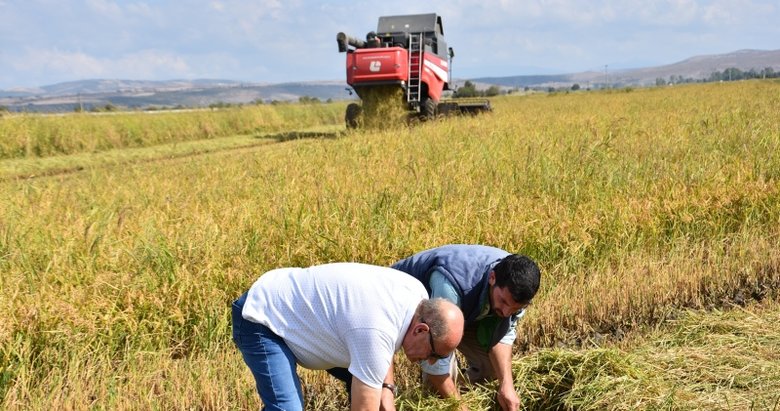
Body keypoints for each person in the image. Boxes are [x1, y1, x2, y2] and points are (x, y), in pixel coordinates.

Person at [231, 262, 465, 411]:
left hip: (312, 321)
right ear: (421, 330)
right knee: (286, 408)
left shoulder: (417, 297)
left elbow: (378, 358)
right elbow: (375, 346)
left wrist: (387, 393)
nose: (431, 362)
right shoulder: (376, 332)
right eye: (434, 354)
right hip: (264, 317)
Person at [391, 245, 541, 411]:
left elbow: (503, 335)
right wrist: (458, 405)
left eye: (514, 308)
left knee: (490, 370)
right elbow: (434, 362)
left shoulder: (519, 290)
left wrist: (507, 385)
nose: (506, 312)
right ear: (492, 278)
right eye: (504, 302)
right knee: (437, 378)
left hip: (470, 310)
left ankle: (459, 390)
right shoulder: (451, 286)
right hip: (408, 307)